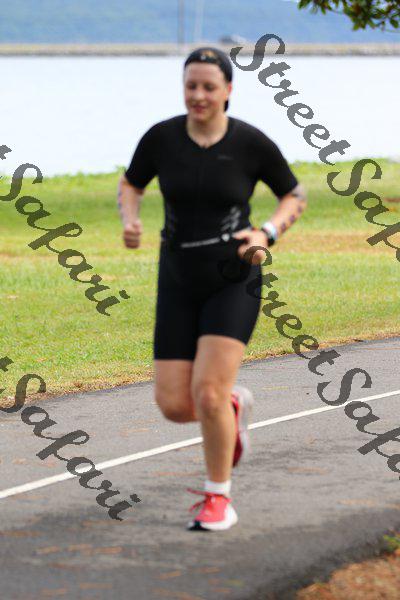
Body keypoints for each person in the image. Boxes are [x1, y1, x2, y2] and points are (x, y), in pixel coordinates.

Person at [117, 47, 307, 531]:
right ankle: (233, 405)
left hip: (233, 277)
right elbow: (131, 184)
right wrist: (130, 219)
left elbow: (293, 194)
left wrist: (267, 233)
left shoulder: (250, 143)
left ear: (228, 91)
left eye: (208, 86)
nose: (198, 95)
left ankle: (218, 498)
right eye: (191, 86)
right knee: (174, 405)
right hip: (177, 278)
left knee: (206, 394)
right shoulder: (161, 138)